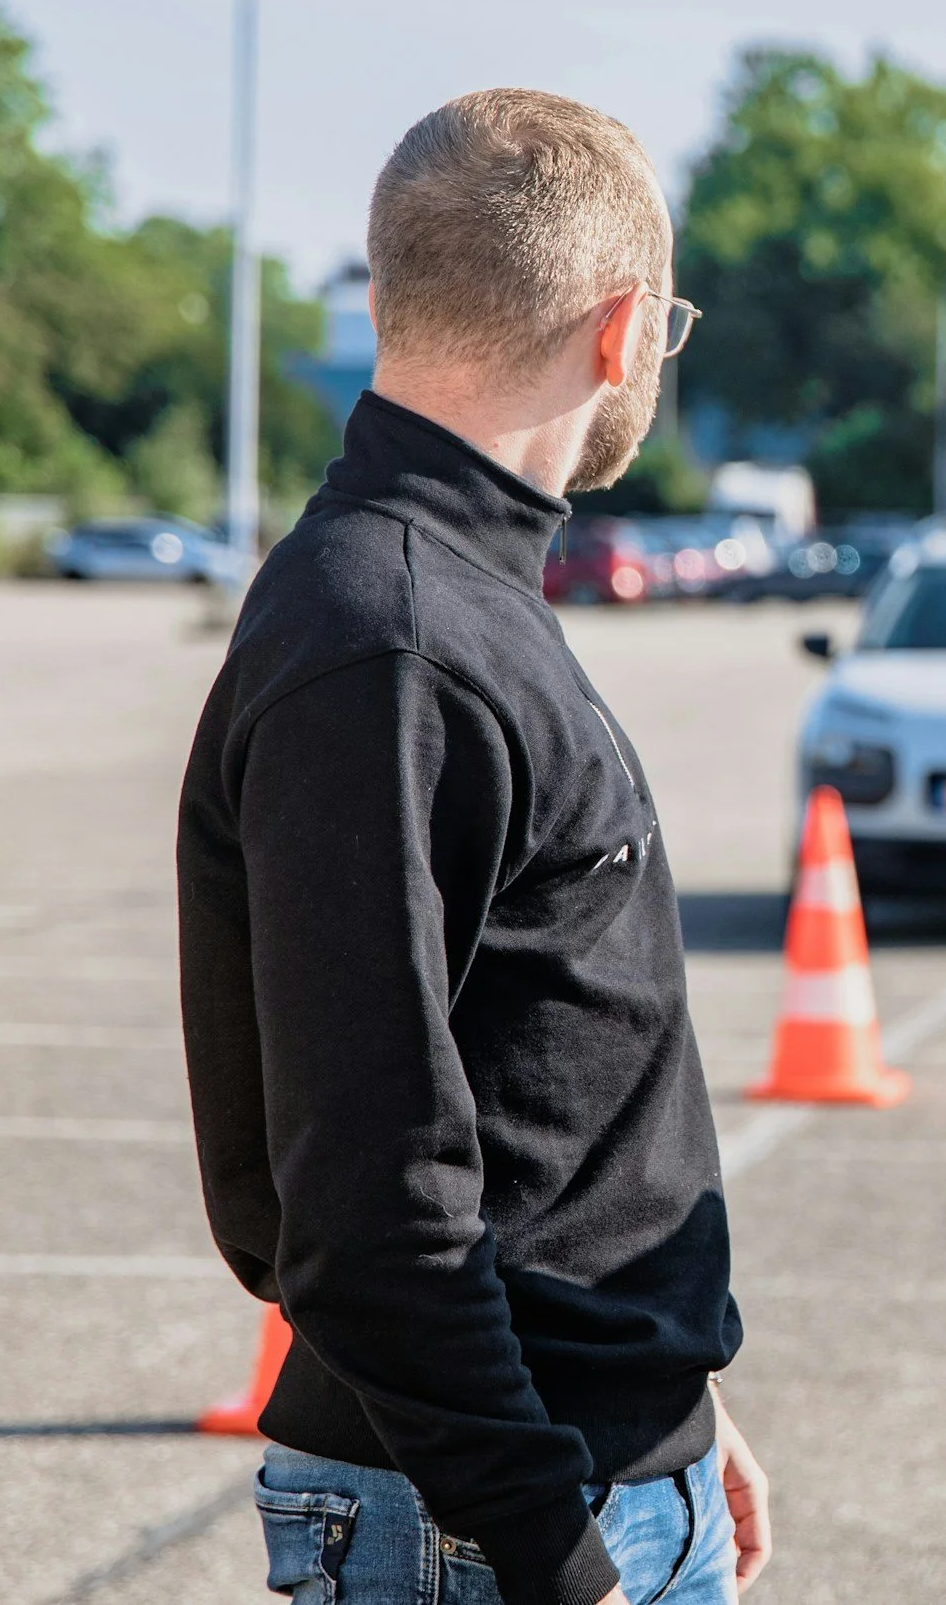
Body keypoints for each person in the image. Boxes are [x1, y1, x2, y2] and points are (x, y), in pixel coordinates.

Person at [178, 90, 765, 1605]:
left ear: (384, 298)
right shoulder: (393, 642)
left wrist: (680, 1414)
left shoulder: (451, 599)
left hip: (591, 1470)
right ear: (626, 329)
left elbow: (536, 1089)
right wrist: (557, 1553)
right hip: (477, 1528)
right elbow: (369, 1201)